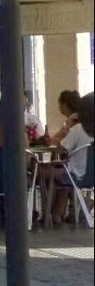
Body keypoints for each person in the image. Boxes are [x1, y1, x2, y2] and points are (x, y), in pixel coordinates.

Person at [46, 91, 94, 223]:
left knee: (44, 173)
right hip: (90, 175)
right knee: (63, 173)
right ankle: (70, 209)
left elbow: (60, 149)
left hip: (76, 175)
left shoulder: (78, 129)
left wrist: (68, 127)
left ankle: (52, 213)